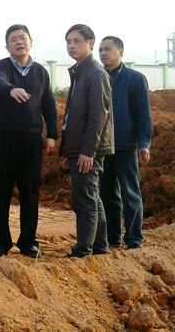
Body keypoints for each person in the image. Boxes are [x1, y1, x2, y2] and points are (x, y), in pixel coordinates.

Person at [0, 24, 58, 259]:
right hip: (2, 139)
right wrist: (11, 89)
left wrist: (52, 135)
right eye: (13, 39)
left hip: (31, 141)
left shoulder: (41, 72)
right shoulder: (1, 67)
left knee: (30, 192)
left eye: (23, 38)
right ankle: (0, 243)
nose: (19, 42)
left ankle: (28, 242)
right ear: (7, 46)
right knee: (0, 193)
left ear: (31, 42)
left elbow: (49, 104)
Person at [61, 24, 114, 258]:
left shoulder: (96, 73)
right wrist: (68, 151)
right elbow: (72, 116)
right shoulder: (81, 72)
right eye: (68, 42)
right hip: (79, 147)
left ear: (90, 43)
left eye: (77, 41)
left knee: (84, 200)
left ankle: (83, 250)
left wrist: (88, 151)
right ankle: (100, 247)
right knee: (91, 197)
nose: (71, 46)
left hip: (89, 148)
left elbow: (98, 116)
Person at [98, 36, 152, 249]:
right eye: (100, 50)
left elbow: (143, 114)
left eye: (108, 49)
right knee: (107, 194)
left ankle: (134, 238)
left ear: (120, 52)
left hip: (126, 145)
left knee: (130, 193)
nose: (103, 53)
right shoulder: (98, 77)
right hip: (102, 146)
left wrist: (144, 142)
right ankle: (112, 237)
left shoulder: (135, 79)